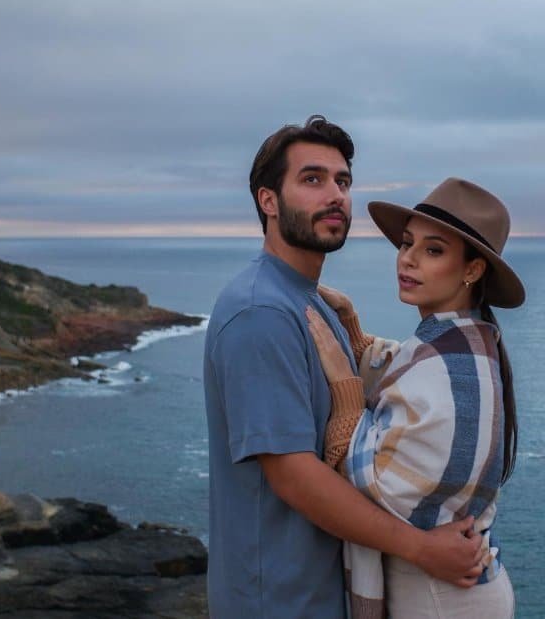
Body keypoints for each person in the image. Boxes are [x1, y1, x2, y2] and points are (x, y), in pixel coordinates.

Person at [202, 117, 485, 618]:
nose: (335, 195)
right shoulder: (261, 313)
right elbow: (294, 476)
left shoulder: (309, 302)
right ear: (269, 200)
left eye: (343, 181)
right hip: (279, 603)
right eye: (312, 180)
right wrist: (420, 548)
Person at [305, 177, 524, 618]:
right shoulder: (453, 345)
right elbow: (403, 369)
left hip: (443, 599)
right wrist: (350, 330)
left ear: (473, 270)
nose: (408, 259)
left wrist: (347, 389)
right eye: (407, 244)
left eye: (434, 250)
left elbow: (377, 487)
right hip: (445, 591)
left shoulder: (455, 369)